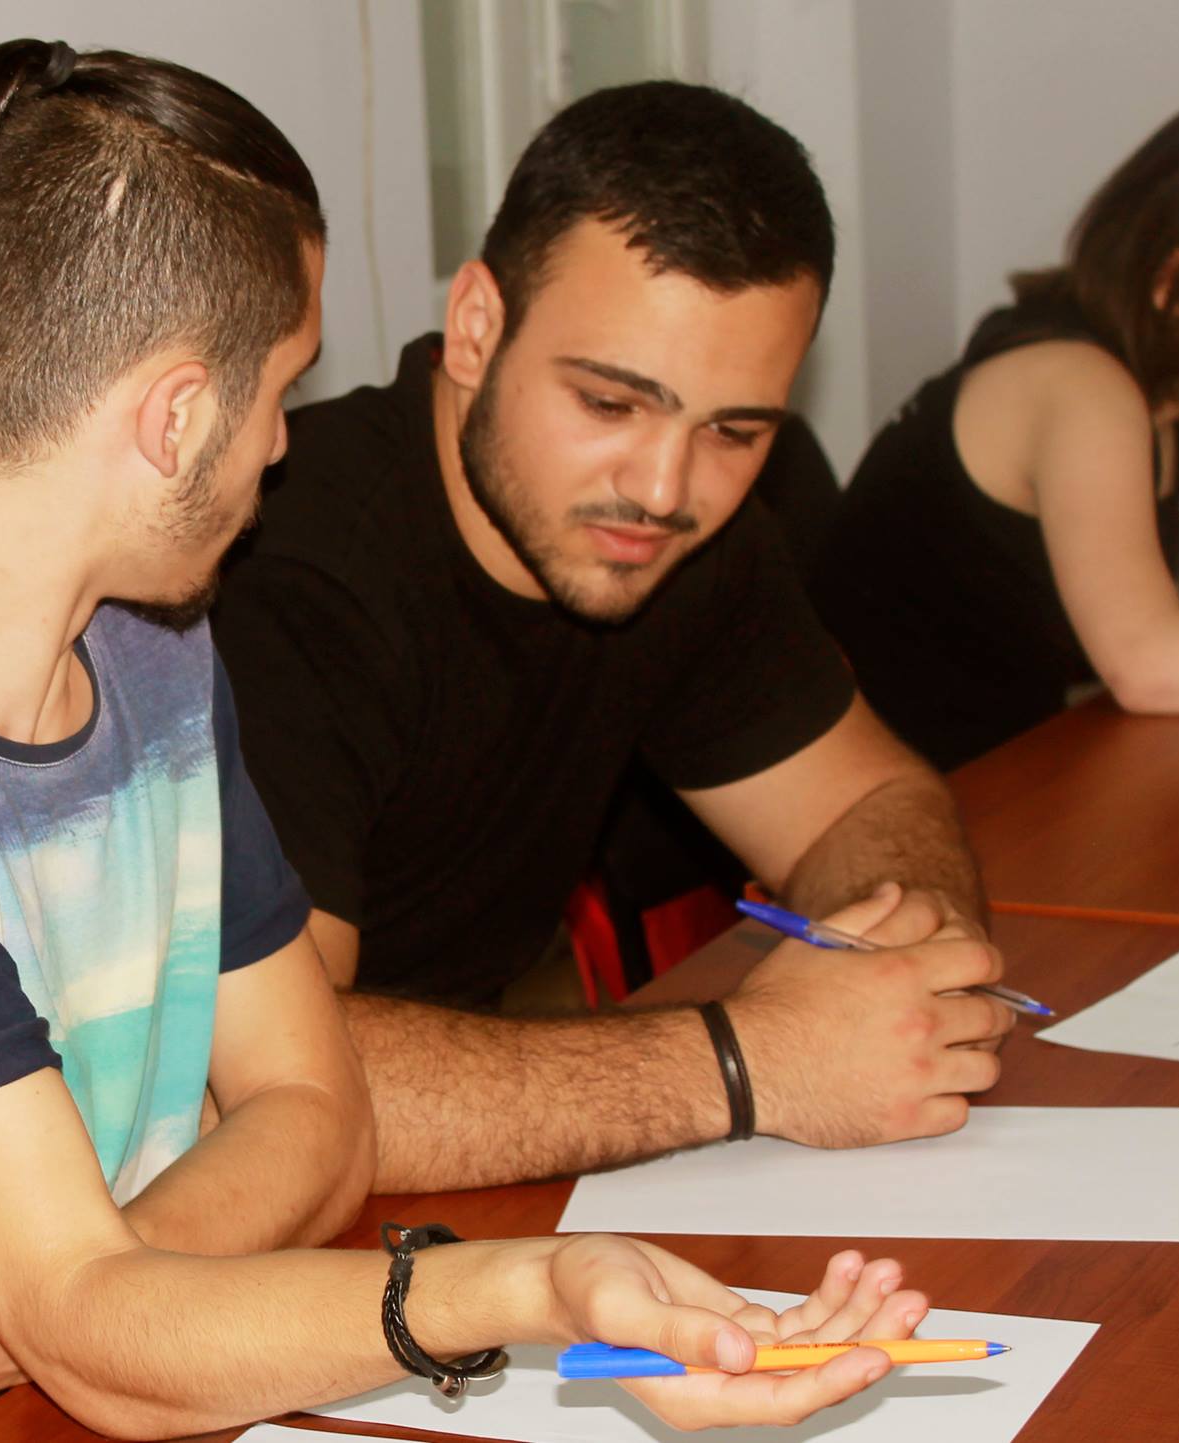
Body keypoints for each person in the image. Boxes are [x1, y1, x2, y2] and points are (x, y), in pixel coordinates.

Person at [0, 40, 923, 1443]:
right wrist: (534, 1287)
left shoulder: (148, 647)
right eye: (281, 388)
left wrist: (72, 1297)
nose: (283, 445)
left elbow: (316, 1112)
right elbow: (100, 1339)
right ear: (175, 418)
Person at [207, 80, 1014, 1197]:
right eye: (608, 404)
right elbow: (267, 1097)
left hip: (473, 1188)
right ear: (477, 328)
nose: (664, 487)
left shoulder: (678, 537)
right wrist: (751, 1062)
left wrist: (902, 967)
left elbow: (863, 803)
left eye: (734, 430)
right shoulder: (287, 580)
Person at [809, 91, 1179, 773]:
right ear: (1176, 279)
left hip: (1015, 774)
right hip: (890, 801)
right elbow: (1149, 662)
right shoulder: (1076, 385)